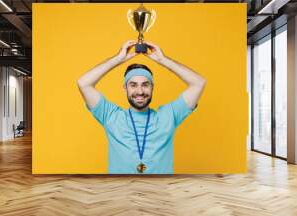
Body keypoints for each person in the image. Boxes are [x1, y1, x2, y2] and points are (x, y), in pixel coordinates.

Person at [77, 40, 206, 174]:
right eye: (133, 85)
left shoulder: (168, 116)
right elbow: (83, 83)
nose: (140, 91)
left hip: (160, 193)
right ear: (125, 88)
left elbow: (198, 83)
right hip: (121, 194)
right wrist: (118, 59)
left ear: (152, 87)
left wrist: (164, 60)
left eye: (145, 84)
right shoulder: (111, 115)